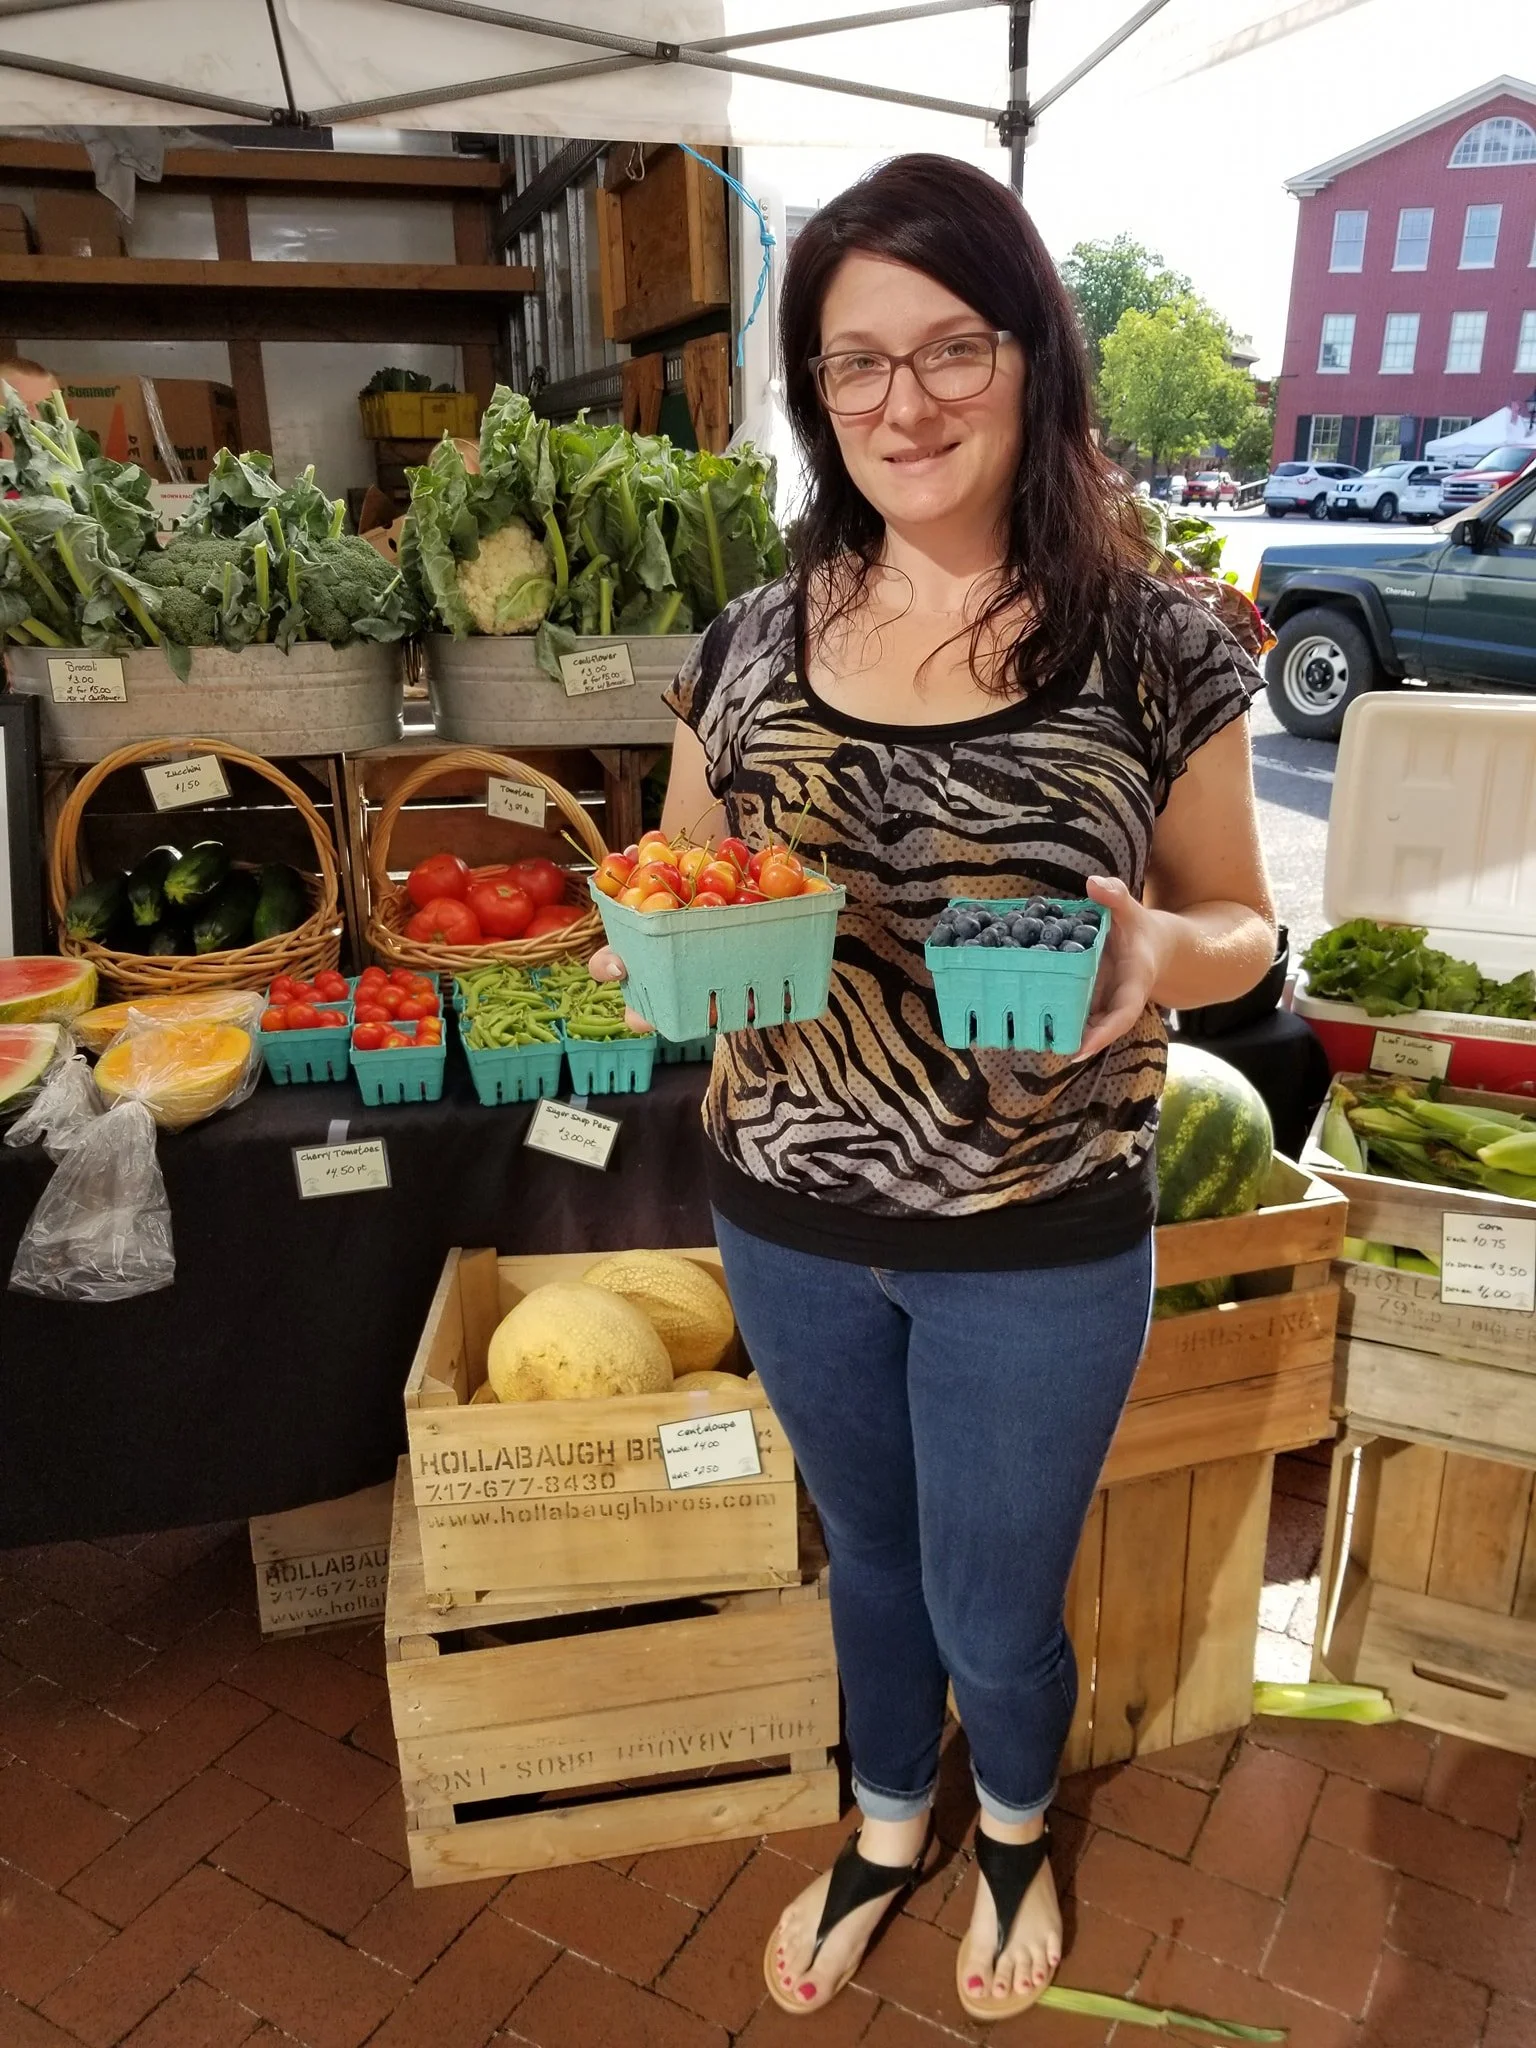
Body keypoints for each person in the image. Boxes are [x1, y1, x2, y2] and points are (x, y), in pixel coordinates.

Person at [593, 153, 1274, 2026]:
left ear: (1032, 356)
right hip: (786, 1205)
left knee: (994, 1598)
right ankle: (891, 1818)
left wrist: (1154, 958)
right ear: (816, 396)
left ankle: (1022, 1824)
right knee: (867, 1563)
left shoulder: (1156, 644)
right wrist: (641, 947)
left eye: (950, 349)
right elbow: (687, 876)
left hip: (1037, 1232)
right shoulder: (749, 640)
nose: (903, 402)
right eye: (853, 365)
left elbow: (1248, 930)